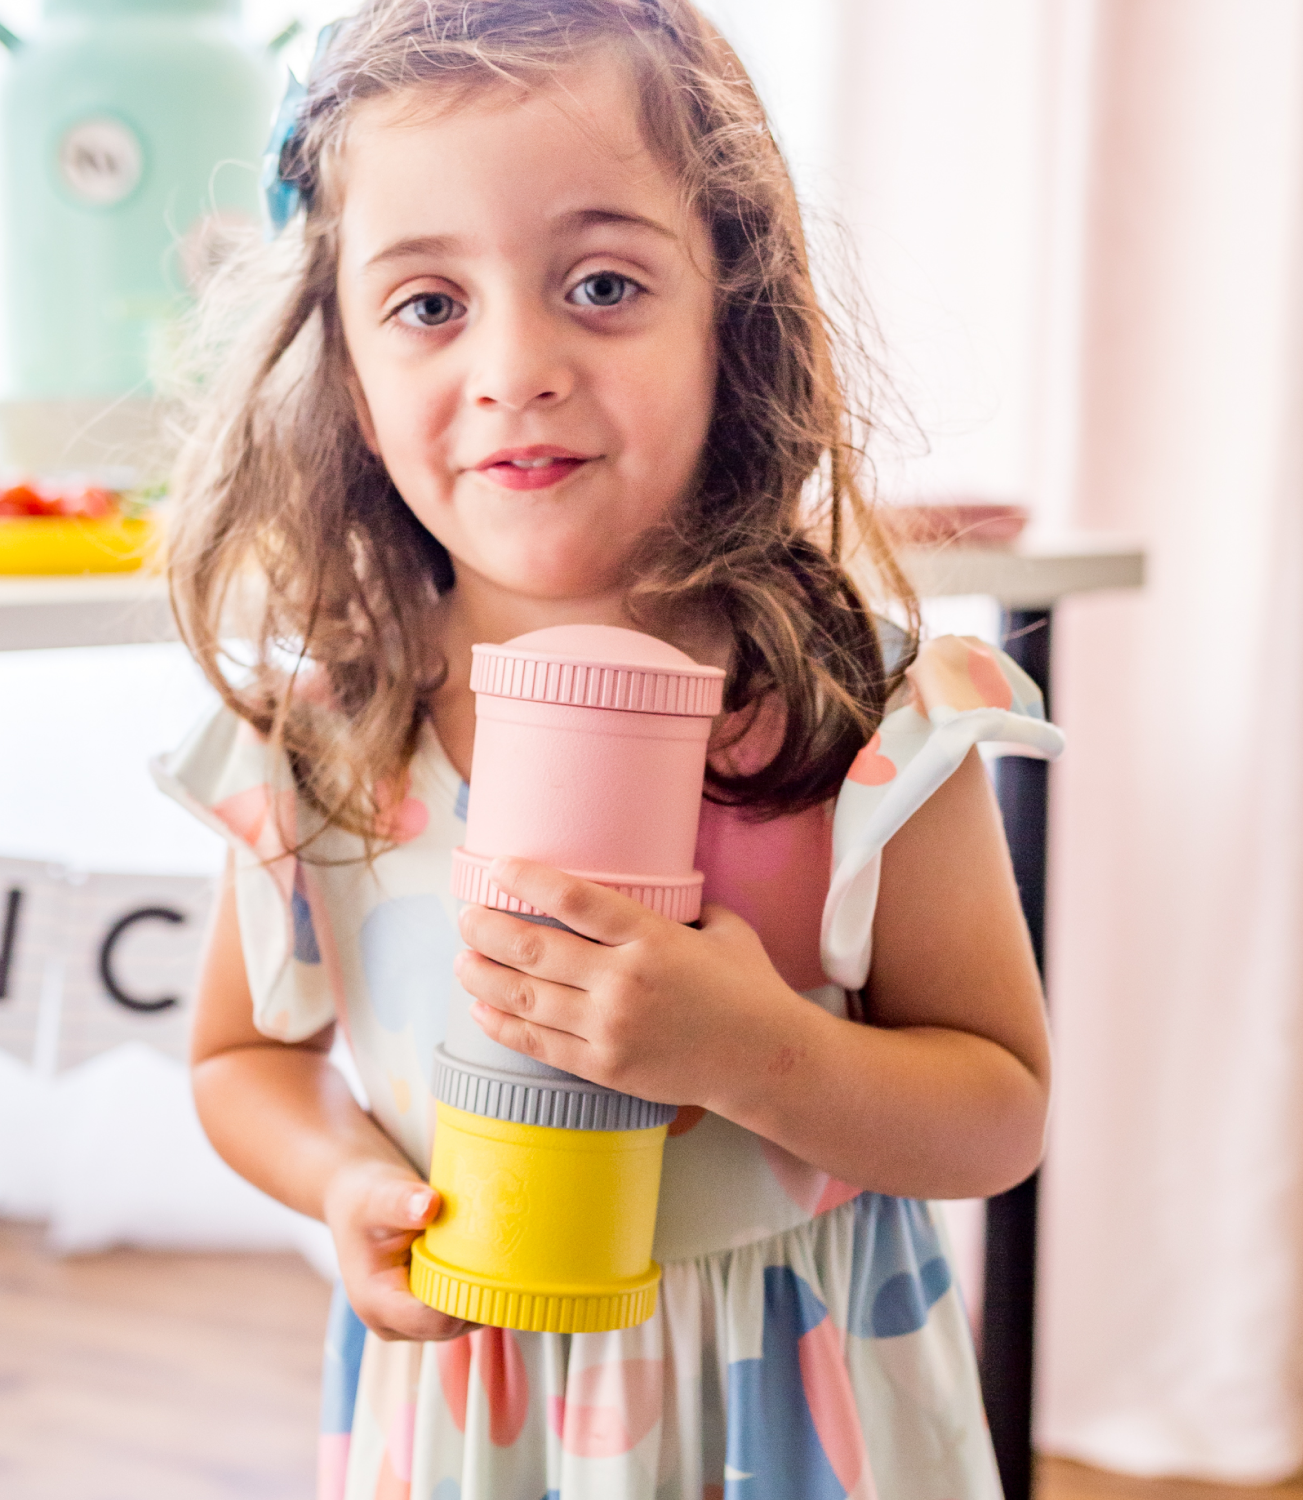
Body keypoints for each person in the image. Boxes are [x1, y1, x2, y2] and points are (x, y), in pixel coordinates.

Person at [155, 1, 1056, 1494]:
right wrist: (347, 1179)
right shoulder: (323, 740)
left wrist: (748, 1050)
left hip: (797, 1404)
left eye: (601, 281)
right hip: (473, 1409)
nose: (518, 364)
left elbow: (997, 1112)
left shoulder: (861, 724)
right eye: (430, 304)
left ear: (733, 311)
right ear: (351, 377)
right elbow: (244, 1057)